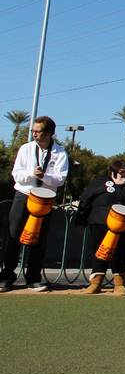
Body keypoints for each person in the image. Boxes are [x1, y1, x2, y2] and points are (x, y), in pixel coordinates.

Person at [0, 116, 69, 292]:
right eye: (34, 131)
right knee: (14, 235)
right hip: (24, 195)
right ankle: (7, 276)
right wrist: (32, 174)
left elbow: (60, 179)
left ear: (50, 133)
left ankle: (33, 278)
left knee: (38, 239)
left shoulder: (60, 152)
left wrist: (43, 176)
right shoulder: (26, 149)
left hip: (45, 199)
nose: (35, 135)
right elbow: (17, 174)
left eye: (39, 132)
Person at [75, 159, 125, 296]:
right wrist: (82, 218)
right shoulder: (99, 183)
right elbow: (85, 201)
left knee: (120, 254)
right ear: (113, 172)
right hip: (100, 224)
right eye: (122, 172)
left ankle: (119, 284)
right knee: (100, 253)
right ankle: (95, 283)